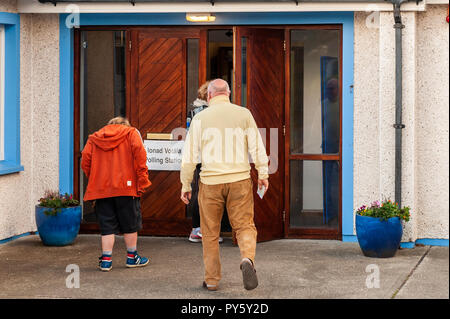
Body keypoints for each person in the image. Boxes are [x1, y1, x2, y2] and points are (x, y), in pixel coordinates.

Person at [180, 79, 269, 291]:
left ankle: (211, 280)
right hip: (239, 180)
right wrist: (263, 172)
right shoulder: (244, 114)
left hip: (210, 182)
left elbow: (189, 155)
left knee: (210, 233)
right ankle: (247, 258)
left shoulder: (200, 118)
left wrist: (186, 184)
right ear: (228, 94)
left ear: (209, 96)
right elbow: (257, 146)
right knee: (245, 225)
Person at [81, 116, 152, 272]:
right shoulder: (131, 133)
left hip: (101, 190)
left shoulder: (94, 138)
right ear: (125, 125)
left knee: (107, 226)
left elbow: (85, 161)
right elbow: (141, 157)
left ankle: (106, 260)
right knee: (130, 224)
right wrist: (142, 181)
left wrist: (95, 178)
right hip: (126, 188)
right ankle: (132, 257)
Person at [187, 81, 224, 244]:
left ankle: (199, 229)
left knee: (201, 191)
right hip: (210, 156)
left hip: (200, 156)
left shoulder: (194, 111)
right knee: (205, 193)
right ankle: (200, 230)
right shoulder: (207, 111)